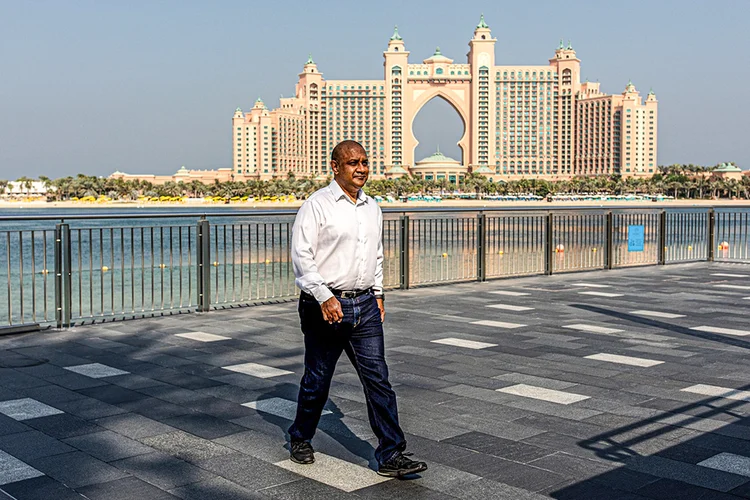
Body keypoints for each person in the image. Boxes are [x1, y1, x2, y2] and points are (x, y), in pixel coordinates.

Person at [288, 140, 428, 477]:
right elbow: (302, 257)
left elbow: (375, 255)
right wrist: (324, 296)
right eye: (353, 162)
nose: (361, 168)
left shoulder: (372, 207)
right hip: (325, 306)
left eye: (365, 161)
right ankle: (300, 437)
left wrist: (378, 293)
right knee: (318, 380)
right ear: (335, 166)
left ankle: (391, 453)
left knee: (378, 378)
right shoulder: (316, 205)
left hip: (364, 305)